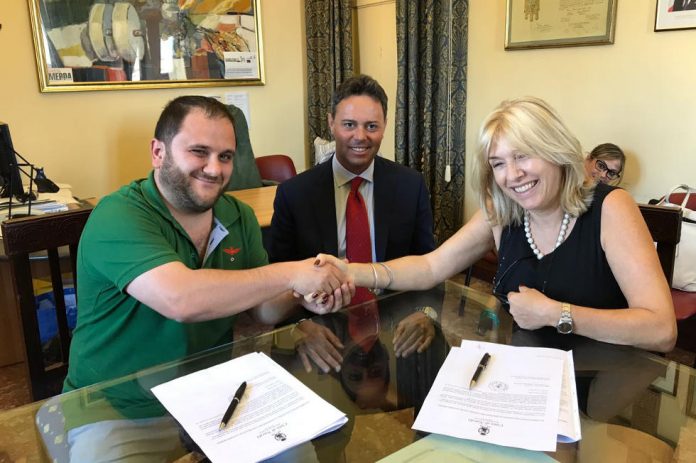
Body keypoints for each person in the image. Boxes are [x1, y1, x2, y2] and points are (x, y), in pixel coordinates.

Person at [62, 96, 351, 461]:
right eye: (199, 152)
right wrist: (293, 272)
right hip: (117, 409)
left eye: (225, 156)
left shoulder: (238, 215)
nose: (214, 169)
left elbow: (263, 310)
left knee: (299, 455)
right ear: (158, 152)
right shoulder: (117, 214)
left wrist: (302, 294)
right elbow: (181, 299)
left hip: (210, 396)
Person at [317, 96, 677, 354]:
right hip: (522, 377)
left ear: (555, 151)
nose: (512, 175)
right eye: (499, 163)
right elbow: (430, 267)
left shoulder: (611, 207)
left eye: (523, 156)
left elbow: (661, 330)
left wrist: (556, 314)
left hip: (599, 383)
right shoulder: (502, 210)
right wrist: (351, 271)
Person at [268, 74, 436, 371]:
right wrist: (301, 325)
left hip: (394, 325)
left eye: (371, 126)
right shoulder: (295, 194)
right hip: (322, 322)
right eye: (349, 125)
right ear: (331, 123)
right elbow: (278, 277)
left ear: (385, 126)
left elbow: (430, 262)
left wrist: (424, 312)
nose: (360, 136)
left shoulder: (410, 186)